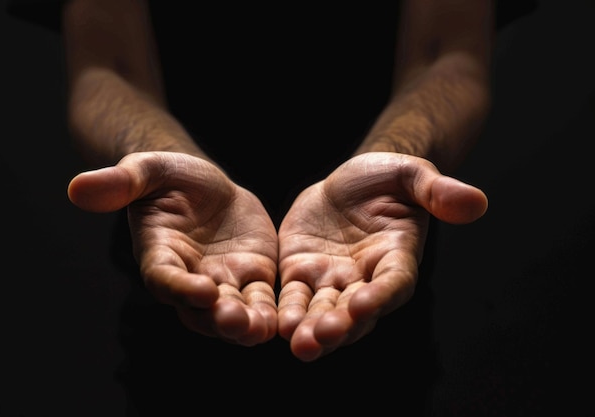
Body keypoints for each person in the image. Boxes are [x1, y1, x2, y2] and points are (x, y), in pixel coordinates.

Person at [58, 0, 496, 364]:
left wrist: (391, 153)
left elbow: (447, 56)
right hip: (180, 267)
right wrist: (167, 156)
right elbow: (108, 68)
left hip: (372, 270)